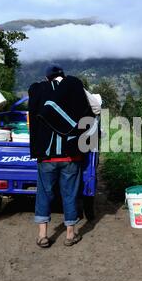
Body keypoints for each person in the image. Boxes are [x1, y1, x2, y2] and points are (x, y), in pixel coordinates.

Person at [28, 64, 94, 248]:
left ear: (48, 78)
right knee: (70, 194)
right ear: (63, 76)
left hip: (47, 156)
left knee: (44, 194)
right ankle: (70, 235)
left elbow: (32, 115)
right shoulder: (74, 88)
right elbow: (90, 112)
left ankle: (42, 235)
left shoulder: (38, 89)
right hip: (71, 154)